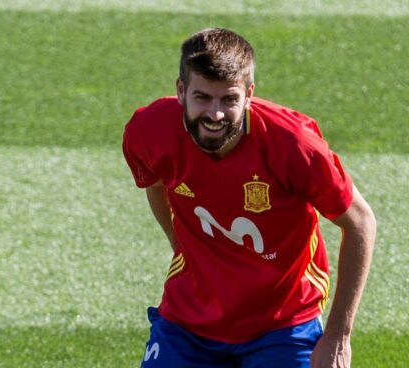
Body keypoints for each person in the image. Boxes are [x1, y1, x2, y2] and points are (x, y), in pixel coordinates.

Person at [122, 28, 376, 368]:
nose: (215, 115)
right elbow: (154, 183)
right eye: (203, 98)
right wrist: (182, 245)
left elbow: (360, 221)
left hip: (283, 323)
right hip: (189, 321)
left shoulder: (294, 144)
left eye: (228, 99)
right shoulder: (148, 131)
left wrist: (338, 336)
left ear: (249, 94)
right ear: (181, 91)